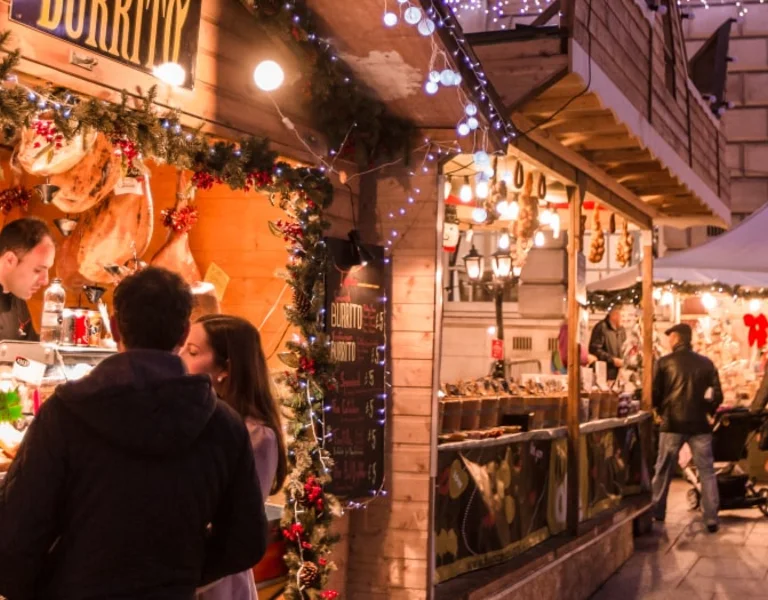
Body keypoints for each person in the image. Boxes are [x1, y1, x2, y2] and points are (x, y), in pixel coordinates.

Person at [0, 267, 268, 599]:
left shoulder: (65, 415)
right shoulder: (224, 425)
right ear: (184, 333)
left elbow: (17, 536)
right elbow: (246, 541)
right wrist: (178, 572)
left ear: (114, 327)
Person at [180, 314, 287, 600]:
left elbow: (240, 528)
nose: (180, 357)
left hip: (217, 582)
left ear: (225, 368)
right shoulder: (191, 419)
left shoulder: (257, 436)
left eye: (192, 352)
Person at [651, 323, 723, 533]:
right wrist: (707, 410)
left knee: (663, 469)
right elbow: (717, 395)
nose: (668, 340)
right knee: (707, 471)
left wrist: (659, 409)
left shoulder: (664, 363)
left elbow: (655, 393)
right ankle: (711, 517)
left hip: (672, 422)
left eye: (670, 336)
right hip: (700, 424)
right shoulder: (706, 363)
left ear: (676, 338)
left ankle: (657, 511)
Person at [0, 217, 56, 341]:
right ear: (10, 260)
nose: (45, 281)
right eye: (37, 270)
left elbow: (29, 354)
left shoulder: (18, 299)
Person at [589, 305, 627, 381]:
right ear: (614, 315)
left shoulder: (622, 330)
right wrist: (612, 360)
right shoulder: (601, 328)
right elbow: (594, 350)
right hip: (604, 376)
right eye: (623, 316)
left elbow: (624, 348)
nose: (626, 319)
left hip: (619, 375)